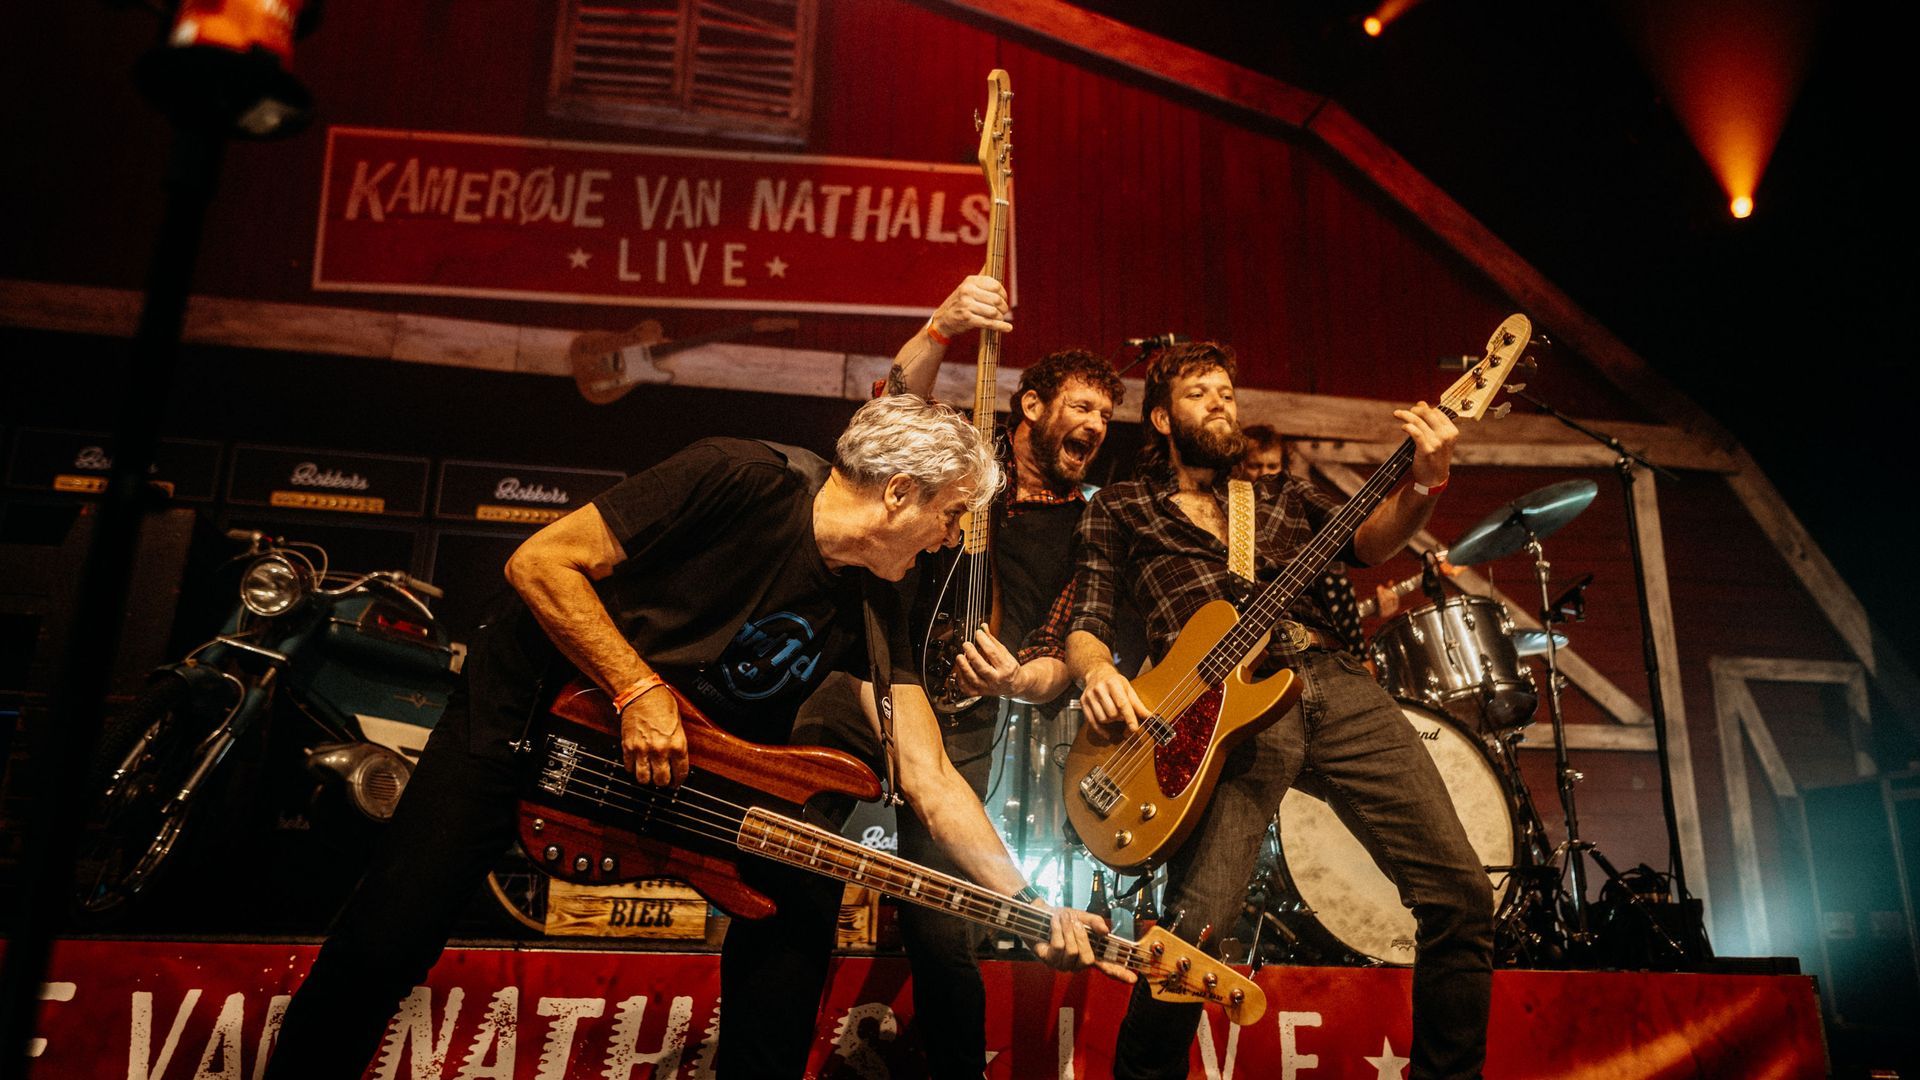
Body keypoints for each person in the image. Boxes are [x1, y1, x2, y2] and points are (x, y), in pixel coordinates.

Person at [263, 395, 1130, 1080]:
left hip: (679, 762)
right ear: (899, 491)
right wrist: (635, 685)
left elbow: (929, 773)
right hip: (527, 722)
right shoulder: (739, 476)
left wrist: (1031, 905)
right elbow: (541, 562)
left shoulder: (880, 590)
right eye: (949, 515)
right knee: (387, 940)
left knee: (796, 908)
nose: (949, 541)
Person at [1066, 342, 1494, 1079]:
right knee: (1194, 933)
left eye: (1227, 392)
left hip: (1327, 677)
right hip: (1214, 714)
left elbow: (1369, 541)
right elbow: (1087, 618)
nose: (1221, 402)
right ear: (1162, 419)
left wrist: (1427, 482)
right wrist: (1097, 670)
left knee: (1461, 894)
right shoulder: (1123, 507)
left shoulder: (1278, 497)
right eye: (1200, 392)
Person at [791, 275, 1126, 1077]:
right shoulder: (962, 458)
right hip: (857, 676)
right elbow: (893, 407)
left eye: (1107, 416)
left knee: (942, 921)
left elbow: (1066, 652)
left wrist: (1021, 679)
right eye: (1083, 406)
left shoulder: (1089, 519)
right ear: (1032, 405)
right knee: (799, 879)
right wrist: (941, 326)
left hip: (964, 717)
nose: (1096, 425)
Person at [1233, 422, 1401, 650]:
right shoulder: (1232, 510)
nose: (1264, 474)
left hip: (1315, 642)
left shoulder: (1298, 499)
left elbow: (1350, 535)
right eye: (1255, 465)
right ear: (1240, 466)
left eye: (1272, 466)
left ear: (1284, 467)